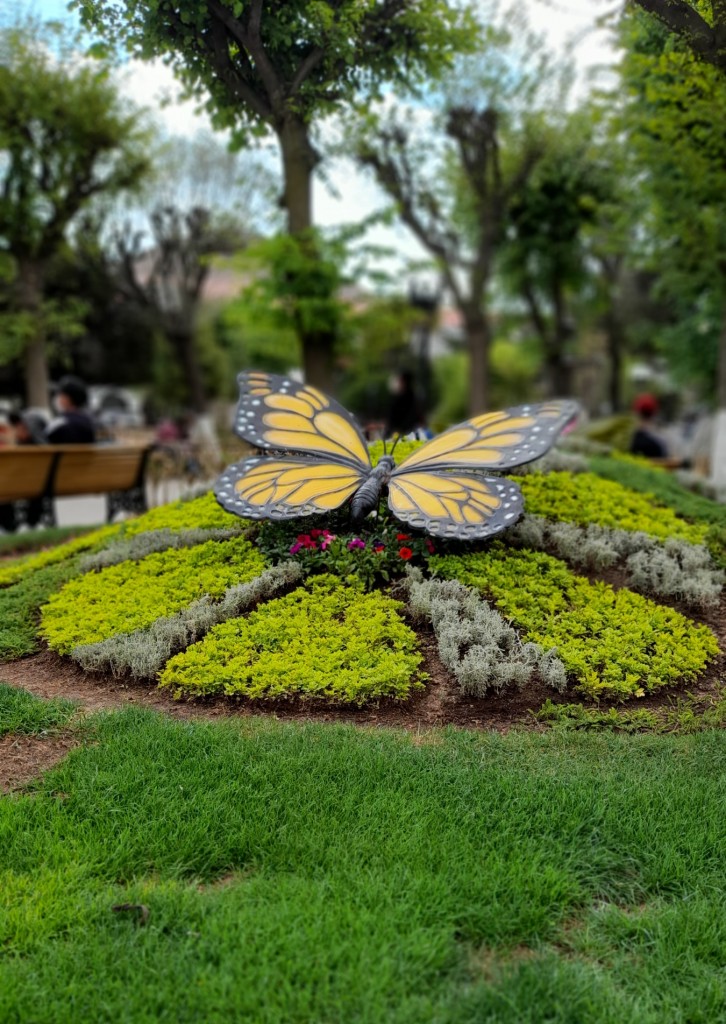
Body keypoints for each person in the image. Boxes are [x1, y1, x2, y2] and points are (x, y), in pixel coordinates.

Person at [46, 376, 96, 444]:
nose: (58, 398)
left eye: (61, 395)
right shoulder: (89, 422)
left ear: (67, 399)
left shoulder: (59, 423)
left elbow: (45, 441)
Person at [385, 370, 427, 439]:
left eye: (400, 381)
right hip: (411, 433)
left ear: (404, 382)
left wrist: (390, 432)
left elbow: (392, 420)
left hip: (401, 435)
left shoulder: (399, 399)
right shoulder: (415, 397)